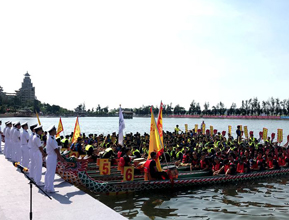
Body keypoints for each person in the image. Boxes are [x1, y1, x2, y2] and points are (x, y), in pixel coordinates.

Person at [45, 126, 64, 193]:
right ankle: (50, 188)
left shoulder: (50, 138)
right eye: (55, 130)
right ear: (52, 131)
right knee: (51, 173)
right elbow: (56, 150)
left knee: (48, 173)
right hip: (52, 157)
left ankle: (47, 187)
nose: (56, 131)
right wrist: (60, 157)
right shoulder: (52, 139)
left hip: (50, 157)